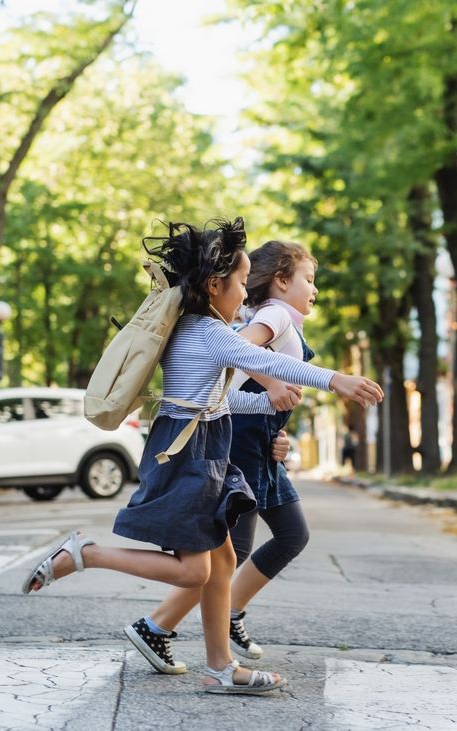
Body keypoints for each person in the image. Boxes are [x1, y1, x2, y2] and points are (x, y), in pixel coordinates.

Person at [21, 219, 383, 696]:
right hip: (187, 451)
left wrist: (266, 405)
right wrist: (334, 379)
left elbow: (218, 399)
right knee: (197, 569)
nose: (247, 293)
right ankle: (87, 554)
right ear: (215, 285)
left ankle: (219, 666)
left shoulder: (200, 328)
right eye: (242, 282)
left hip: (202, 443)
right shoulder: (209, 332)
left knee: (225, 559)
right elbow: (268, 361)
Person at [126, 240, 325, 675]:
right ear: (281, 281)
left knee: (278, 538)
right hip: (238, 445)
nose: (314, 289)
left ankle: (213, 617)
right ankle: (172, 627)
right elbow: (237, 356)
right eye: (309, 280)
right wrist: (277, 384)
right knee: (227, 554)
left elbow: (238, 368)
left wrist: (277, 428)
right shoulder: (273, 315)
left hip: (257, 443)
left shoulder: (274, 319)